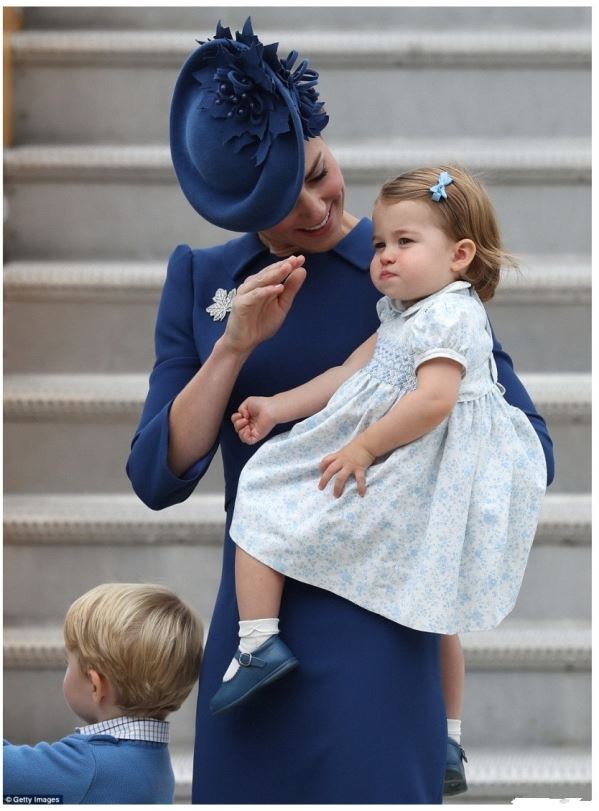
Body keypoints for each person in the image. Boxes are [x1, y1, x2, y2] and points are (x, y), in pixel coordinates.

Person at [127, 19, 554, 804]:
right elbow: (157, 474)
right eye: (282, 203)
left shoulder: (415, 270)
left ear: (324, 141)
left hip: (383, 626)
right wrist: (230, 350)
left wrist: (399, 455)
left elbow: (526, 438)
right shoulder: (204, 282)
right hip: (261, 632)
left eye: (318, 173)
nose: (316, 209)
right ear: (234, 210)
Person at [212, 165, 547, 726]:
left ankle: (257, 642)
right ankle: (448, 733)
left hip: (428, 465)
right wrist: (277, 407)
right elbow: (348, 372)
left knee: (264, 490)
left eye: (405, 242)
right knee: (432, 603)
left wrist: (363, 448)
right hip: (414, 460)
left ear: (460, 255)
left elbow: (434, 400)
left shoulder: (452, 314)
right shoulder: (403, 312)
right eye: (379, 244)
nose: (385, 255)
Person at [3, 583, 203, 804]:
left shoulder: (88, 766)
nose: (66, 668)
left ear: (95, 686)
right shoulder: (154, 759)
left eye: (68, 662)